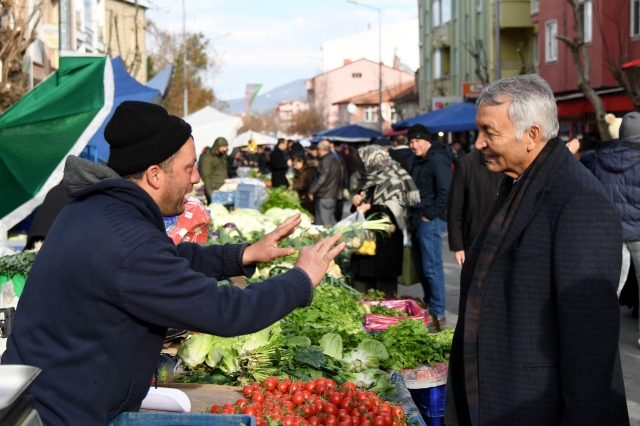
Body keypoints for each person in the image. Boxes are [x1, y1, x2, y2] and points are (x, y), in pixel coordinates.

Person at [1, 101, 346, 426]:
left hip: (44, 400)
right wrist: (302, 278)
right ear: (154, 175)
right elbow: (225, 311)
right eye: (188, 167)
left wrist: (243, 255)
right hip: (59, 416)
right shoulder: (125, 240)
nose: (196, 178)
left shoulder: (96, 209)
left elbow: (167, 258)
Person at [445, 75, 629, 426]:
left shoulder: (578, 200)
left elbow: (590, 341)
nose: (479, 142)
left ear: (531, 135)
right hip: (502, 391)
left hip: (535, 404)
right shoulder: (517, 182)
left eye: (490, 132)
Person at [594, 111, 640, 347]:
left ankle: (602, 330)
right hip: (638, 233)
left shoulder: (600, 157)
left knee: (613, 285)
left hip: (612, 231)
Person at [350, 146, 420, 296]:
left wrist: (370, 206)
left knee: (386, 287)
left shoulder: (395, 178)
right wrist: (356, 201)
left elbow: (396, 208)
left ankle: (385, 317)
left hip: (387, 240)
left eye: (365, 160)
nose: (364, 164)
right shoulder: (369, 177)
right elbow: (360, 204)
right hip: (366, 240)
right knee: (362, 282)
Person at [407, 123, 453, 324]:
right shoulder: (416, 162)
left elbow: (446, 193)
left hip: (431, 221)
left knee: (431, 267)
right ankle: (429, 305)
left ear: (427, 141)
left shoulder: (438, 161)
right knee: (422, 266)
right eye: (410, 141)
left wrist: (429, 215)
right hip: (416, 220)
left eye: (417, 140)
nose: (413, 145)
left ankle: (438, 312)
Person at [446, 148, 502, 266]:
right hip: (474, 241)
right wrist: (458, 246)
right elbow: (455, 207)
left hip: (504, 242)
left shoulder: (511, 159)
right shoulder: (468, 162)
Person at [308, 141, 343, 226]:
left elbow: (321, 178)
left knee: (325, 224)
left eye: (318, 149)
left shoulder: (326, 160)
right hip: (331, 194)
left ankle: (332, 239)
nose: (317, 151)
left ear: (322, 149)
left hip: (325, 195)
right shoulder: (334, 159)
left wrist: (311, 191)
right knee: (327, 221)